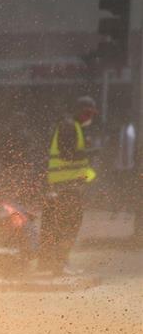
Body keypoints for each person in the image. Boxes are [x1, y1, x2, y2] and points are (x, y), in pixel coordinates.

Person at [39, 96, 98, 274]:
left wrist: (87, 176)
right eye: (87, 113)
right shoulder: (69, 126)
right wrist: (90, 151)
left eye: (92, 114)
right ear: (79, 111)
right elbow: (67, 154)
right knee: (66, 226)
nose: (90, 117)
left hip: (67, 186)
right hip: (65, 187)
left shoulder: (74, 127)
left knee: (59, 226)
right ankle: (58, 264)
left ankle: (54, 263)